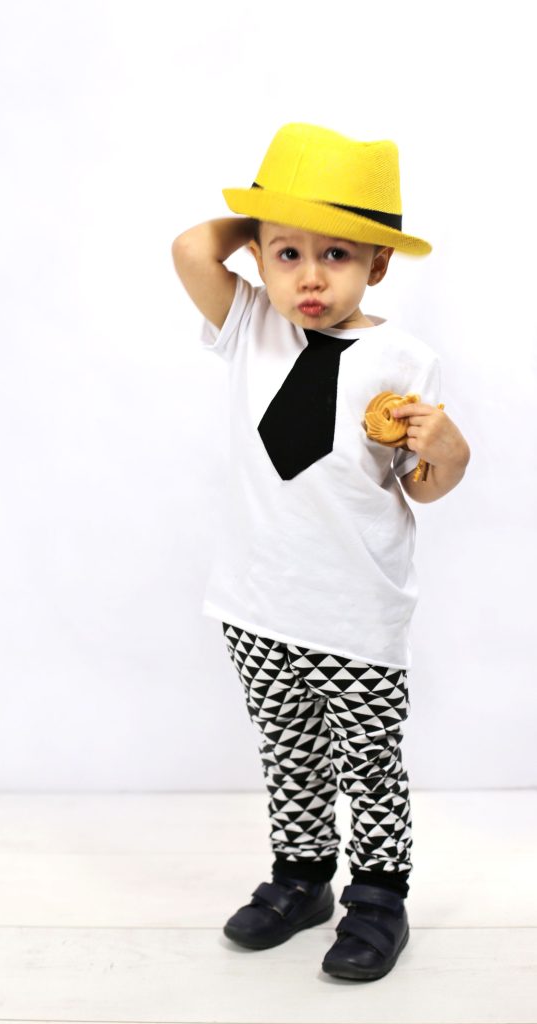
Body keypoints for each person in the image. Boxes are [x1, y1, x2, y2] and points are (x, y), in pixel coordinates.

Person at [171, 123, 470, 982]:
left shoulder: (403, 360)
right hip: (256, 601)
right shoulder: (250, 325)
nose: (308, 276)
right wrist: (265, 222)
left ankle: (376, 898)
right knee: (289, 752)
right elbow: (191, 249)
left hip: (353, 609)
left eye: (335, 253)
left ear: (377, 264)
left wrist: (447, 453)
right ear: (258, 258)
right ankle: (300, 879)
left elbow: (419, 487)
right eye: (288, 254)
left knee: (368, 764)